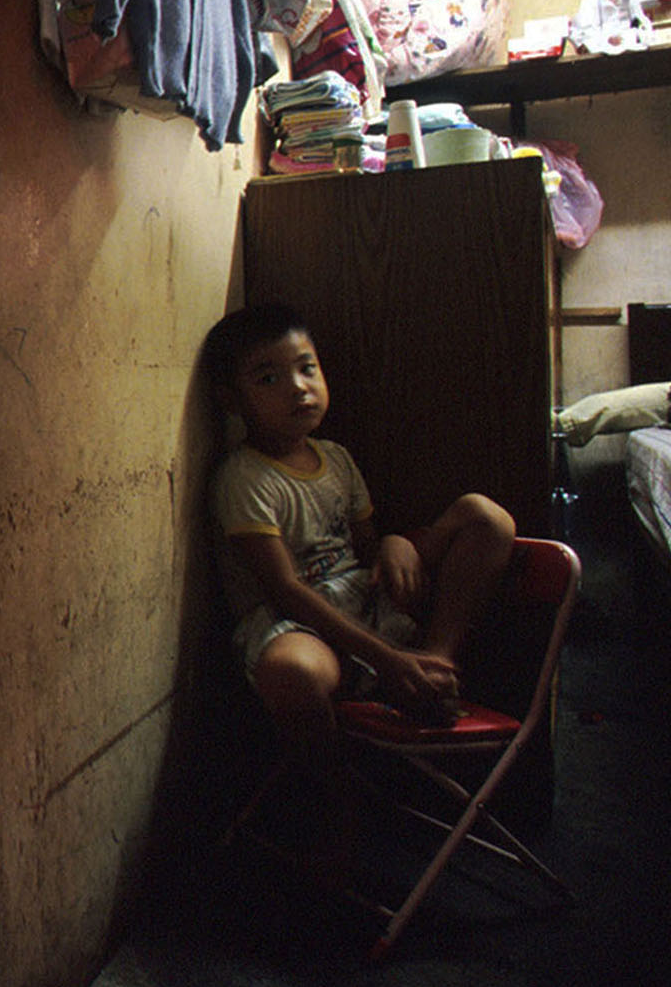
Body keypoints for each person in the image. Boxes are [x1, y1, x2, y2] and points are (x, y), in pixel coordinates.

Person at [203, 302, 514, 878]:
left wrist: (393, 542)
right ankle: (336, 802)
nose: (298, 388)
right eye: (268, 378)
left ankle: (435, 665)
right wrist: (383, 658)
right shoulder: (242, 478)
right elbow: (287, 589)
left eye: (307, 368)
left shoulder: (338, 460)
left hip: (364, 603)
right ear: (230, 399)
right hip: (295, 621)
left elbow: (367, 551)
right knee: (290, 672)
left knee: (485, 518)